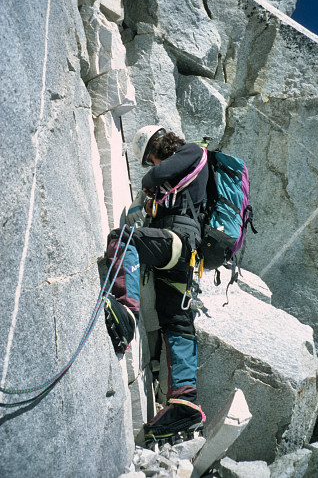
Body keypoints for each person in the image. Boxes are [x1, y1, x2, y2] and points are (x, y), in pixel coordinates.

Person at [105, 125, 208, 441]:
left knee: (123, 239)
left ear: (157, 147)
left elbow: (151, 179)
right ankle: (184, 404)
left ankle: (126, 311)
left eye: (150, 158)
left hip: (177, 241)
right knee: (176, 321)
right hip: (184, 254)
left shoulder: (192, 151)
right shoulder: (181, 179)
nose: (150, 165)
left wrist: (151, 186)